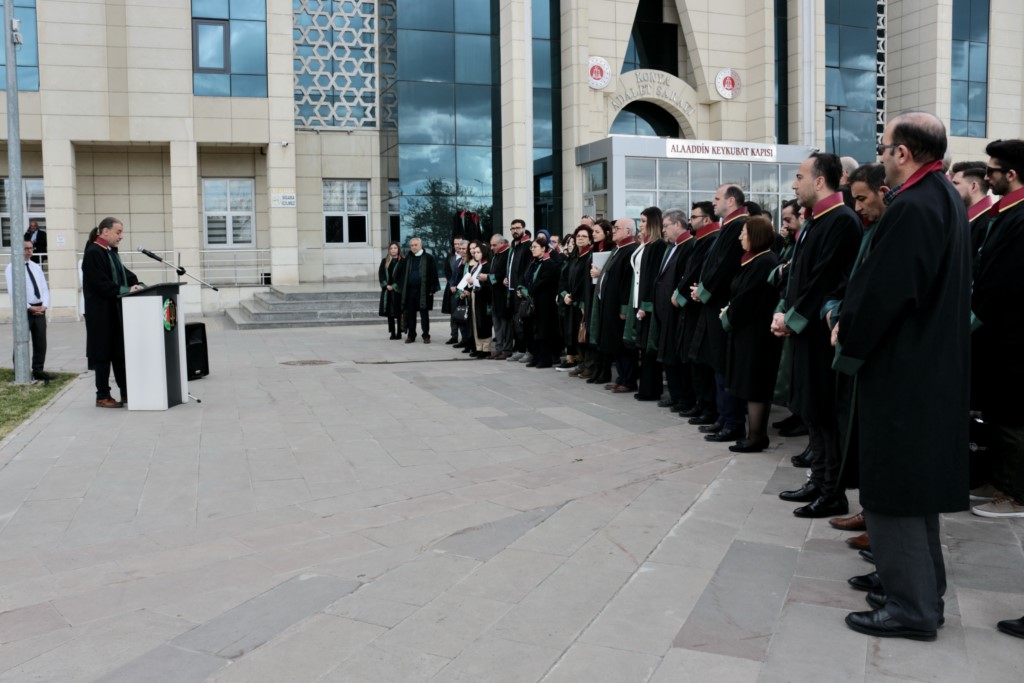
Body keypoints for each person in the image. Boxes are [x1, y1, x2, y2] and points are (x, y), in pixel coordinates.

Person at [834, 111, 970, 642]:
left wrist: (850, 340)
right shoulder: (942, 198)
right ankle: (915, 590)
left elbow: (887, 293)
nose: (882, 154)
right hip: (926, 365)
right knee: (912, 489)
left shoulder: (913, 206)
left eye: (885, 146)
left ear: (903, 153)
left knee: (894, 489)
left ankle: (911, 607)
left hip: (904, 368)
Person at [773, 152, 861, 518]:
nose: (794, 184)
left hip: (819, 332)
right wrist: (783, 310)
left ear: (820, 181)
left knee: (824, 411)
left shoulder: (841, 220)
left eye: (799, 177)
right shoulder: (816, 219)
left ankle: (831, 491)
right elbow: (796, 277)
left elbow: (823, 281)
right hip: (803, 330)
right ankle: (819, 478)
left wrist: (791, 318)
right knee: (811, 409)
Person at [970, 139, 1024, 520]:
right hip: (997, 333)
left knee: (1013, 416)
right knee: (998, 412)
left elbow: (1004, 280)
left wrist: (973, 316)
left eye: (991, 170)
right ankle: (1002, 481)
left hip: (1013, 336)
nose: (986, 176)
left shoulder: (1021, 217)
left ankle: (1017, 493)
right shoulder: (1006, 213)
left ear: (1011, 174)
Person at [691, 185, 749, 442]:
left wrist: (703, 291)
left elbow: (724, 267)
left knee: (724, 363)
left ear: (732, 200)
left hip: (722, 302)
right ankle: (723, 417)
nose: (713, 203)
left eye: (717, 198)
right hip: (713, 301)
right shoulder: (730, 224)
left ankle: (732, 422)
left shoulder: (739, 224)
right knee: (717, 362)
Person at [720, 216, 782, 452]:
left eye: (744, 233)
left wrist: (728, 315)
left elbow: (748, 300)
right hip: (748, 332)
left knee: (756, 384)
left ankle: (756, 436)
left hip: (757, 336)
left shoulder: (764, 262)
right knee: (750, 383)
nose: (740, 237)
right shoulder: (754, 260)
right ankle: (754, 434)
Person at [82, 217, 144, 408]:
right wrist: (125, 290)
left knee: (119, 354)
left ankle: (126, 392)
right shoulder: (93, 252)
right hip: (100, 314)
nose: (121, 236)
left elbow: (125, 274)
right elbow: (101, 284)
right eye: (118, 232)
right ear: (104, 231)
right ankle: (102, 395)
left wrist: (137, 283)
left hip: (114, 312)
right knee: (102, 355)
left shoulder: (110, 253)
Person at [676, 202, 720, 423]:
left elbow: (698, 273)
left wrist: (682, 294)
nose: (690, 221)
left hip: (699, 306)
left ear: (705, 219)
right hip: (692, 307)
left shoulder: (712, 239)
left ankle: (708, 407)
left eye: (694, 217)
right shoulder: (700, 240)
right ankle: (700, 403)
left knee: (702, 359)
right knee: (693, 357)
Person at [654, 209, 695, 411]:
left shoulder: (689, 246)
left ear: (678, 225)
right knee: (668, 355)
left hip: (677, 311)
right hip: (665, 311)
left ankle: (685, 397)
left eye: (666, 226)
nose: (663, 231)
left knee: (678, 357)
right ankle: (676, 394)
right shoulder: (672, 247)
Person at [630, 206, 668, 401]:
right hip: (639, 300)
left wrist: (646, 305)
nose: (641, 224)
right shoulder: (646, 245)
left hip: (648, 303)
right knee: (643, 347)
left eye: (644, 221)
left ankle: (651, 389)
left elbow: (653, 278)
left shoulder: (658, 245)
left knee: (649, 347)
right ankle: (647, 387)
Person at [6, 239, 51, 382]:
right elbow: (14, 291)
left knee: (40, 342)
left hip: (40, 308)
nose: (29, 251)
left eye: (31, 248)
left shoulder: (36, 266)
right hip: (25, 310)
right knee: (21, 341)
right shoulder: (12, 267)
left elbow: (44, 288)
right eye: (26, 248)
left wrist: (44, 305)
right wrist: (29, 307)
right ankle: (20, 371)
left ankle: (38, 370)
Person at [516, 236, 559, 368]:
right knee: (531, 330)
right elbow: (525, 278)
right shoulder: (533, 262)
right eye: (531, 247)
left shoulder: (550, 264)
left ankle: (545, 359)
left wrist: (527, 291)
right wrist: (520, 288)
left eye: (535, 247)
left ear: (544, 248)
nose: (532, 249)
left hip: (544, 303)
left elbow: (542, 282)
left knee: (543, 331)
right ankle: (535, 356)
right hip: (532, 302)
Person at [394, 237, 439, 344]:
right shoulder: (407, 259)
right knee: (410, 314)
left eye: (415, 245)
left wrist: (432, 288)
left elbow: (433, 274)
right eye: (412, 245)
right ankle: (411, 335)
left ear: (420, 245)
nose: (413, 247)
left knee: (424, 314)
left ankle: (426, 336)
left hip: (423, 291)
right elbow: (400, 274)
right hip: (410, 291)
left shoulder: (428, 258)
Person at [564, 225, 594, 378]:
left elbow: (584, 282)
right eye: (578, 236)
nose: (580, 238)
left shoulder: (590, 256)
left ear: (590, 239)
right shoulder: (575, 256)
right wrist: (566, 295)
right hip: (572, 301)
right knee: (576, 333)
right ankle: (581, 363)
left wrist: (576, 298)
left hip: (583, 302)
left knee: (584, 335)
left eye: (584, 236)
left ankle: (589, 365)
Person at [949, 160, 995, 257]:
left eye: (956, 183)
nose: (950, 188)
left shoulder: (988, 223)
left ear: (973, 186)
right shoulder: (964, 218)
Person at [458, 240, 492, 358]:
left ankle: (486, 348)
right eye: (475, 252)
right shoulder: (478, 265)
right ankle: (479, 347)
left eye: (478, 252)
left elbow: (489, 282)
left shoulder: (488, 265)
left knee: (483, 322)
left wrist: (475, 281)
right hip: (474, 296)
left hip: (483, 298)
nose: (475, 254)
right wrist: (467, 289)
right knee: (475, 322)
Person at [505, 219, 533, 362]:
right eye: (513, 228)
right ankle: (519, 348)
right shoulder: (514, 246)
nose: (515, 230)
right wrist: (507, 277)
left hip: (522, 291)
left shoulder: (528, 246)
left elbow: (527, 270)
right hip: (511, 290)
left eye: (517, 228)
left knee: (524, 321)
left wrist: (522, 287)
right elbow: (512, 268)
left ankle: (527, 350)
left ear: (524, 229)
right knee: (516, 321)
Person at [487, 235, 513, 360]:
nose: (492, 248)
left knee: (505, 325)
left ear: (502, 243)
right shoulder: (496, 255)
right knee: (497, 324)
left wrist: (487, 278)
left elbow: (501, 274)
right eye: (491, 245)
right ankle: (498, 348)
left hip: (504, 295)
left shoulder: (508, 254)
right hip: (495, 295)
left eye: (494, 245)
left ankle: (506, 350)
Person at [444, 239, 469, 347]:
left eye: (464, 248)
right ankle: (457, 337)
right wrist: (452, 285)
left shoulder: (470, 262)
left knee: (464, 317)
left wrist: (461, 288)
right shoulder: (457, 261)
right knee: (456, 315)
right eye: (459, 248)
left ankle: (466, 339)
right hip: (455, 292)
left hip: (465, 293)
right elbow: (452, 275)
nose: (461, 250)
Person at [378, 241, 404, 340]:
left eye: (395, 248)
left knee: (398, 312)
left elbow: (403, 277)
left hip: (398, 291)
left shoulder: (402, 261)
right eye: (391, 248)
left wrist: (394, 286)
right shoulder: (385, 261)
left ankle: (399, 332)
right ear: (389, 250)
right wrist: (386, 285)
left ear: (398, 249)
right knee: (390, 313)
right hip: (387, 291)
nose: (393, 250)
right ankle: (392, 332)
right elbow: (381, 274)